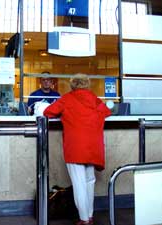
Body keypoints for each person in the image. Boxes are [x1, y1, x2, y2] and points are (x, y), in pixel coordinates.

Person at [43, 74, 111, 225]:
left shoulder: (66, 99)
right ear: (87, 84)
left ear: (72, 85)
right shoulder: (94, 98)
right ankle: (90, 215)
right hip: (93, 147)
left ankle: (84, 219)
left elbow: (47, 112)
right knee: (89, 181)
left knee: (79, 183)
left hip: (75, 148)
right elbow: (107, 112)